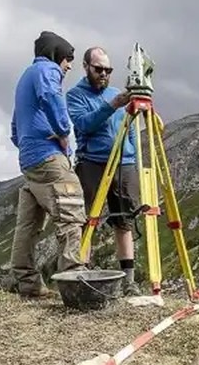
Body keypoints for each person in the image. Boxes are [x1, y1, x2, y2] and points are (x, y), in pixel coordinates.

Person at [8, 30, 88, 298]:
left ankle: (28, 284)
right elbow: (52, 98)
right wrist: (63, 132)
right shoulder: (47, 70)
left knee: (28, 224)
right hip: (49, 157)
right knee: (71, 212)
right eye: (68, 60)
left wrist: (30, 146)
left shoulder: (24, 79)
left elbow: (14, 131)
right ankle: (75, 280)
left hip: (29, 160)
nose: (68, 67)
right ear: (57, 54)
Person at [65, 46, 142, 296]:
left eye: (108, 70)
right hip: (92, 163)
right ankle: (83, 276)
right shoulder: (75, 96)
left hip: (124, 162)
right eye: (98, 69)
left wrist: (131, 152)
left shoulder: (115, 94)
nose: (104, 74)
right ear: (86, 67)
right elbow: (84, 124)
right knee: (88, 221)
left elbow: (128, 126)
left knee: (125, 221)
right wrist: (111, 105)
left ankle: (128, 282)